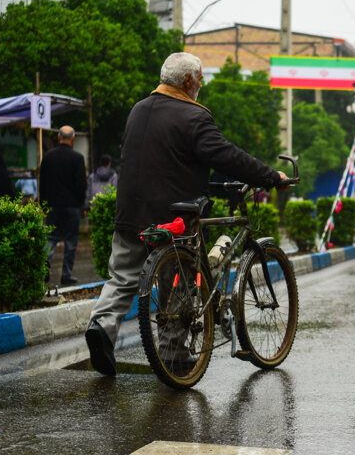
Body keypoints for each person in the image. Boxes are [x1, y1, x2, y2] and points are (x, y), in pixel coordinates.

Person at [85, 52, 289, 377]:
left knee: (123, 278)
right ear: (188, 81)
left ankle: (100, 326)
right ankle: (174, 354)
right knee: (177, 286)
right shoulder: (194, 117)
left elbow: (162, 158)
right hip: (174, 217)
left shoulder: (138, 110)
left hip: (130, 212)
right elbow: (225, 155)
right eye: (201, 79)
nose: (202, 85)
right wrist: (268, 176)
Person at [39, 126, 87, 286]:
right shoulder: (78, 158)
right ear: (72, 139)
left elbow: (43, 183)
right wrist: (80, 203)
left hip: (52, 205)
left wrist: (43, 205)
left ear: (59, 138)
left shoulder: (47, 157)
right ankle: (66, 275)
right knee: (71, 242)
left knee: (51, 239)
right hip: (71, 206)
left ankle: (44, 273)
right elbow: (81, 185)